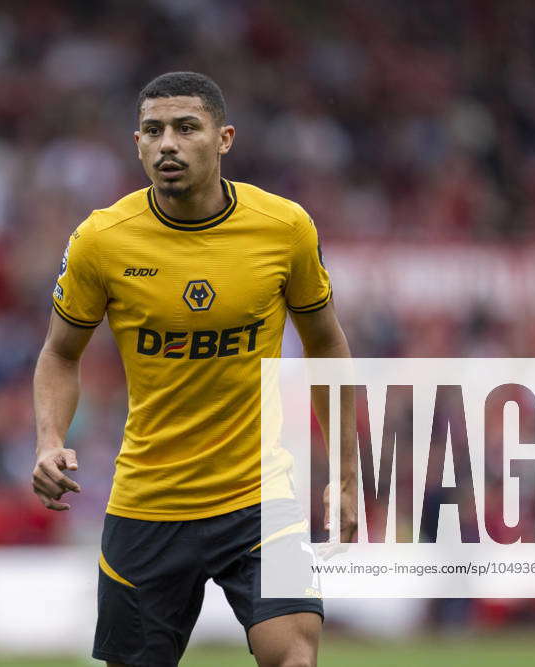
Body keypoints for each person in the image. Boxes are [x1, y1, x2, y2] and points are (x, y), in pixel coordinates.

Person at [32, 71, 355, 667]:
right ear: (137, 144)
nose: (167, 144)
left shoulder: (284, 228)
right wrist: (50, 440)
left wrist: (347, 472)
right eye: (152, 131)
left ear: (224, 138)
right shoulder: (101, 242)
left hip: (260, 496)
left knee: (294, 658)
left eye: (186, 128)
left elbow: (327, 345)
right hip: (148, 503)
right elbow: (59, 352)